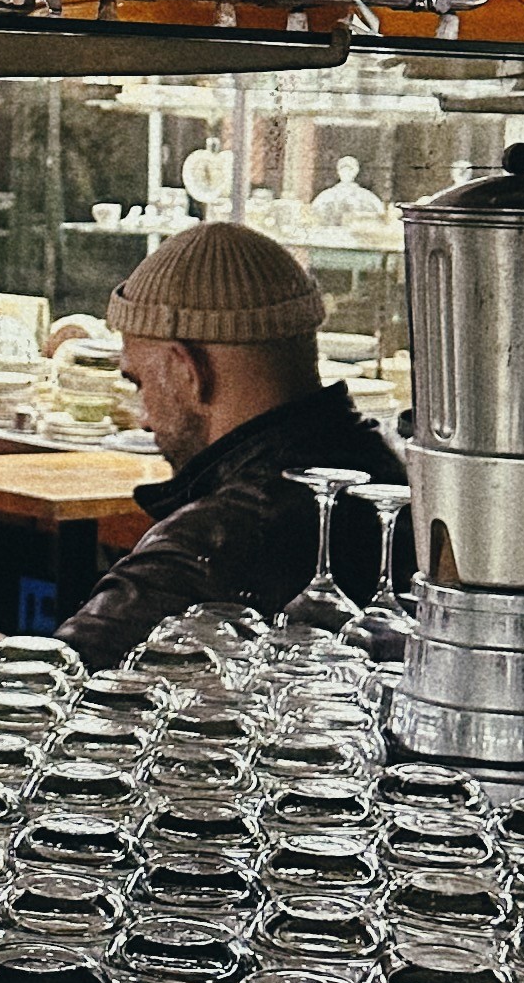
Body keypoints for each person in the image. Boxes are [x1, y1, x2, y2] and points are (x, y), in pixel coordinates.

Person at [56, 221, 402, 672]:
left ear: (188, 371)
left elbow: (67, 688)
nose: (141, 416)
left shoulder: (216, 541)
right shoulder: (388, 469)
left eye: (138, 381)